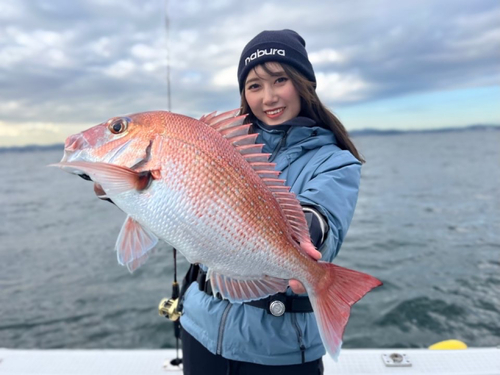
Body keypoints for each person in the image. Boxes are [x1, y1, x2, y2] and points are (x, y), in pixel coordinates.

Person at [179, 29, 364, 375]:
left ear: (304, 83)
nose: (268, 97)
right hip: (200, 328)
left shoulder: (335, 161)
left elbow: (322, 217)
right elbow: (176, 202)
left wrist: (304, 239)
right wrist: (118, 185)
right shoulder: (222, 147)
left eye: (279, 80)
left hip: (280, 350)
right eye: (254, 86)